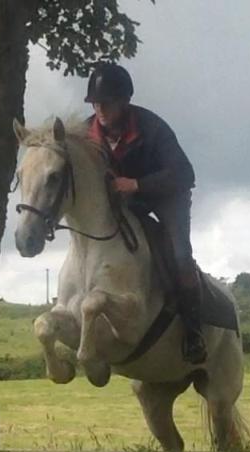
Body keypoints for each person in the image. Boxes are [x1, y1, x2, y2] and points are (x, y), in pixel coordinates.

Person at [84, 61, 207, 365]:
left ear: (124, 102)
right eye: (96, 103)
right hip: (125, 202)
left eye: (107, 103)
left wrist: (137, 184)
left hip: (167, 197)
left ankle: (194, 331)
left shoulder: (152, 127)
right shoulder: (88, 132)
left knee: (179, 255)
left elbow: (185, 174)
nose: (100, 110)